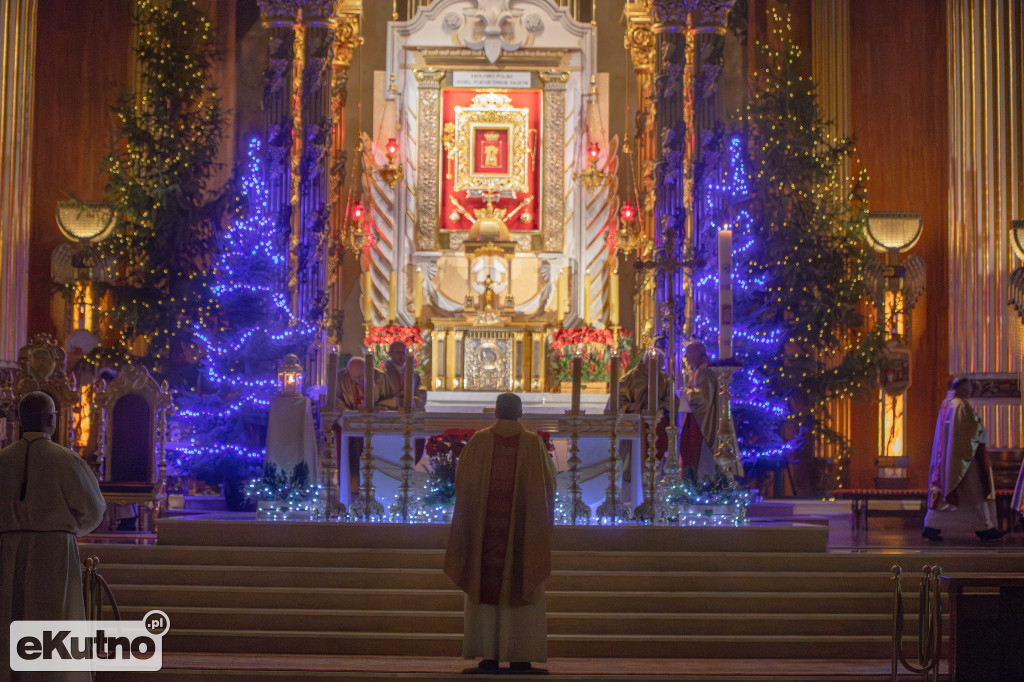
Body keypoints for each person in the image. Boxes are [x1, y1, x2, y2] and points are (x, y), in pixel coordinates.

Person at [444, 392, 557, 675]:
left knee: (486, 582)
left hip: (484, 534)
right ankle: (522, 655)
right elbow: (548, 485)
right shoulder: (533, 444)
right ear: (520, 413)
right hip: (523, 533)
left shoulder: (479, 442)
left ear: (495, 411)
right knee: (521, 579)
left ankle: (488, 655)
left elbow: (463, 483)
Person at [1, 392, 106, 680]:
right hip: (54, 551)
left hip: (6, 548)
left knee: (10, 615)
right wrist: (70, 529)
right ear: (51, 419)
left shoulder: (3, 459)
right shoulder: (66, 460)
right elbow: (93, 510)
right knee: (53, 621)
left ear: (21, 420)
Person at [923, 378, 1006, 542]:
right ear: (961, 387)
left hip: (952, 458)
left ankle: (931, 527)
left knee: (949, 495)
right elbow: (968, 430)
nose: (970, 390)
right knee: (975, 493)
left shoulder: (948, 403)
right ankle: (984, 529)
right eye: (967, 386)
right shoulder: (960, 405)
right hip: (964, 460)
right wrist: (980, 428)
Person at [336, 357, 389, 495]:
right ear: (348, 373)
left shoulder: (380, 377)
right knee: (352, 460)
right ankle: (352, 492)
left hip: (376, 427)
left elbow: (391, 399)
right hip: (351, 428)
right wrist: (346, 412)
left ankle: (378, 492)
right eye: (355, 378)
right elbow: (335, 400)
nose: (359, 381)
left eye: (362, 376)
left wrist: (381, 406)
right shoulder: (340, 378)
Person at [679, 341, 719, 479]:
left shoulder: (706, 371)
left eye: (688, 353)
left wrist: (686, 393)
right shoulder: (699, 370)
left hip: (703, 423)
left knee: (703, 456)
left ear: (697, 353)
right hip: (696, 420)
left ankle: (704, 485)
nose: (686, 357)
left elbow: (703, 397)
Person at [380, 341, 426, 411]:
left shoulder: (414, 374)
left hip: (410, 412)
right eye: (398, 352)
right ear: (390, 353)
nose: (401, 355)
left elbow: (418, 394)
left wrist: (417, 400)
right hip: (390, 413)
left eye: (404, 352)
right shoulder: (382, 373)